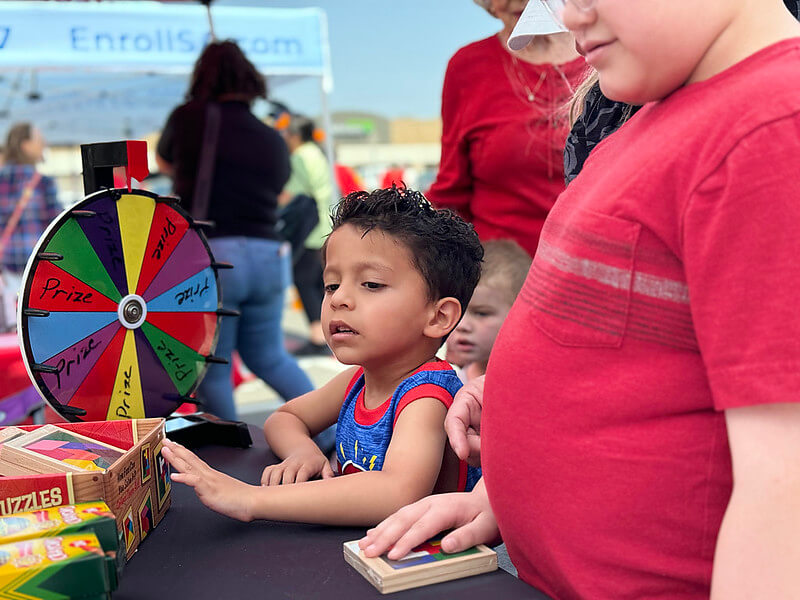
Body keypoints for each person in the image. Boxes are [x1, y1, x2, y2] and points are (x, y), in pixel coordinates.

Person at [360, 1, 800, 598]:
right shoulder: (646, 118)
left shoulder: (768, 130)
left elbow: (784, 485)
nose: (567, 17)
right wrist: (504, 480)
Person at [162, 186, 484, 525]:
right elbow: (285, 418)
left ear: (438, 317)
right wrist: (304, 451)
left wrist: (251, 499)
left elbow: (396, 493)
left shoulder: (426, 397)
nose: (338, 299)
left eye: (371, 284)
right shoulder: (361, 380)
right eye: (331, 284)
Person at [156, 40, 314, 421]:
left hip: (217, 256)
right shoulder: (272, 139)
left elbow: (162, 159)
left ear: (203, 75)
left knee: (215, 368)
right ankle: (332, 431)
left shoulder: (189, 117)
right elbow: (277, 190)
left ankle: (229, 460)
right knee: (270, 357)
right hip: (269, 254)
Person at [425, 0, 584, 257]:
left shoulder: (609, 53)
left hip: (599, 268)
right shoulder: (467, 67)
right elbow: (452, 190)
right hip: (502, 278)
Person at [279, 115, 335, 356]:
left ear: (295, 135)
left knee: (304, 280)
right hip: (326, 226)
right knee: (319, 283)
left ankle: (318, 336)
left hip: (310, 230)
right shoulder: (317, 153)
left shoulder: (300, 156)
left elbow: (291, 195)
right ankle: (329, 334)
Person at [446, 239, 531, 381]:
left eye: (481, 313)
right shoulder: (448, 373)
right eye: (459, 311)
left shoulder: (524, 381)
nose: (461, 325)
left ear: (520, 315)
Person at [0, 122, 61, 319]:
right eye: (38, 140)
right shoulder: (42, 183)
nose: (43, 143)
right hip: (37, 267)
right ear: (25, 145)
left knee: (11, 327)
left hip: (6, 268)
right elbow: (57, 226)